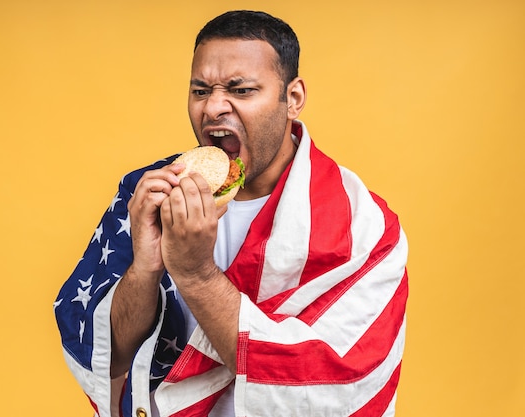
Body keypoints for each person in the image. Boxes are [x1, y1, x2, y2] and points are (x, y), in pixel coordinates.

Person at [54, 10, 408, 417]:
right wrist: (145, 270)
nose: (213, 108)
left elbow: (326, 385)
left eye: (240, 91)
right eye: (201, 90)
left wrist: (195, 275)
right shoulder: (147, 192)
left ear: (292, 99)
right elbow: (105, 356)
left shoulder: (363, 226)